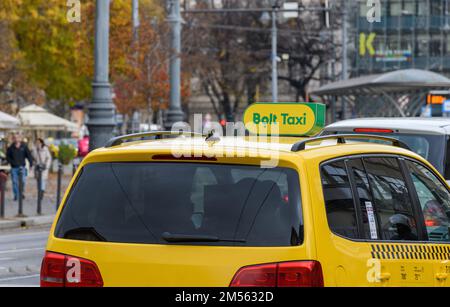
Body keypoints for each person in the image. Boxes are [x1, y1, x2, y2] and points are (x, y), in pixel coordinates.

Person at [6, 133, 33, 201]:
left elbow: (29, 155)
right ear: (13, 139)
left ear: (20, 138)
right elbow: (7, 157)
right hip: (14, 168)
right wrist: (10, 162)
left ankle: (21, 193)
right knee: (14, 182)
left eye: (18, 137)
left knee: (23, 181)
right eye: (15, 138)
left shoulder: (24, 146)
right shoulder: (11, 147)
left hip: (22, 168)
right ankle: (16, 195)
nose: (16, 139)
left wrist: (31, 164)